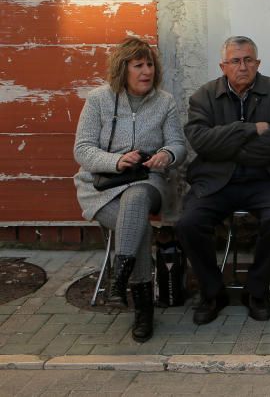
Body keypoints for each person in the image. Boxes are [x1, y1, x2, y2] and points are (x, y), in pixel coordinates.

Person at [176, 36, 270, 324]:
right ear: (223, 66)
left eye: (248, 60)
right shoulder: (203, 97)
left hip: (266, 178)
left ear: (258, 63)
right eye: (235, 60)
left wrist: (228, 145)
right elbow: (201, 142)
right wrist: (249, 129)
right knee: (189, 223)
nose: (242, 66)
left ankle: (255, 291)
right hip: (217, 181)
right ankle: (212, 292)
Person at [73, 36, 186, 342]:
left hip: (148, 181)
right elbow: (82, 150)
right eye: (138, 65)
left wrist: (168, 155)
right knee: (137, 228)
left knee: (136, 198)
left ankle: (119, 279)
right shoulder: (98, 100)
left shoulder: (165, 101)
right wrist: (117, 160)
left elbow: (178, 144)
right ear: (123, 69)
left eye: (149, 64)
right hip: (102, 187)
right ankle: (143, 308)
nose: (146, 71)